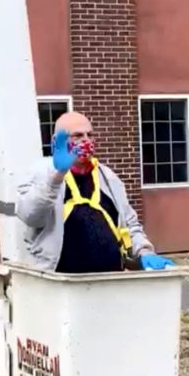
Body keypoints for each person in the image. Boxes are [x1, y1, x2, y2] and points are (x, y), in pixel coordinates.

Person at [15, 111, 174, 273]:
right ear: (57, 142)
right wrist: (57, 176)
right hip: (61, 287)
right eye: (77, 135)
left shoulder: (109, 178)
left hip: (109, 281)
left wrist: (144, 252)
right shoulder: (39, 172)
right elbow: (30, 216)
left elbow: (129, 225)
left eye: (89, 135)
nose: (86, 140)